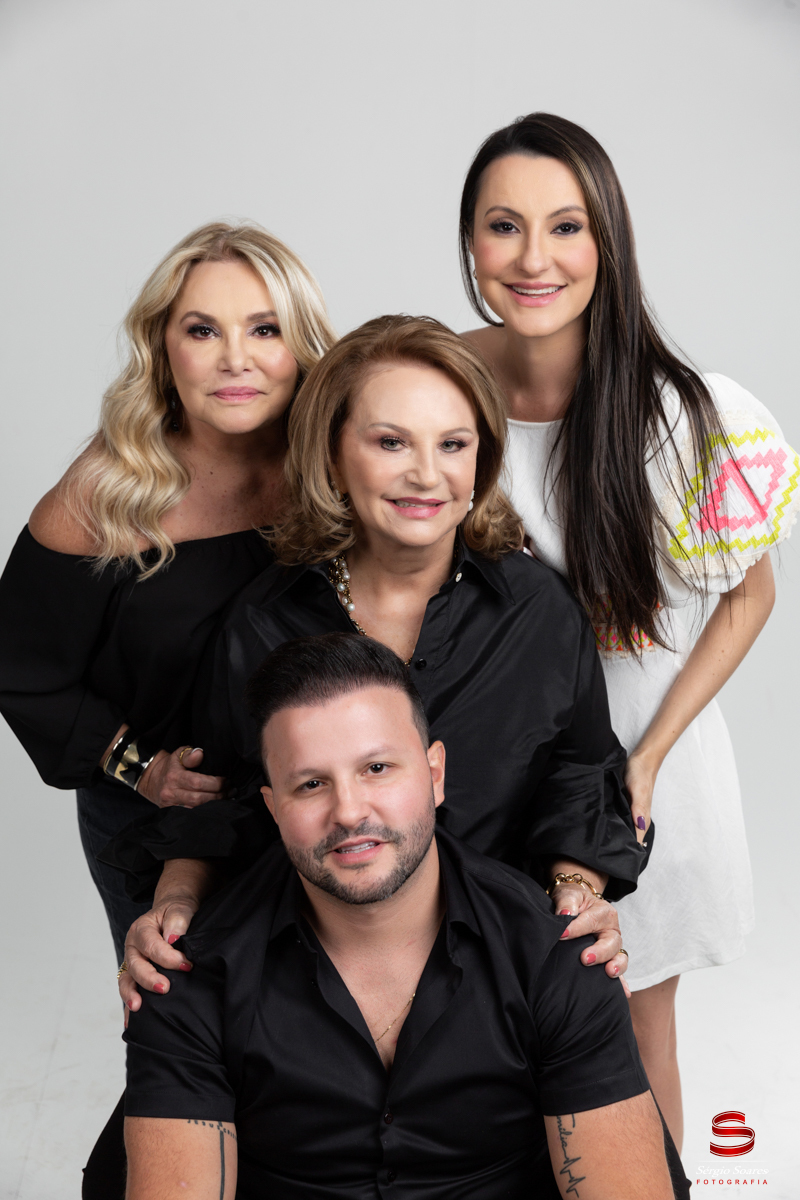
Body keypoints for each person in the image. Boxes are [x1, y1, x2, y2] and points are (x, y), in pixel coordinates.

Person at [108, 313, 646, 1011]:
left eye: (453, 444)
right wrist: (174, 904)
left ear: (481, 461)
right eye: (391, 442)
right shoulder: (264, 621)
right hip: (309, 977)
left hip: (498, 971)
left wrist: (575, 892)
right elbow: (221, 802)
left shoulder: (538, 611)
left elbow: (580, 775)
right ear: (333, 457)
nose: (426, 474)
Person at [458, 111, 800, 1148]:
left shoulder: (686, 415)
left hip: (639, 779)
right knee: (487, 1037)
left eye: (565, 227)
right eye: (503, 226)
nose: (534, 258)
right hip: (490, 774)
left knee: (630, 1027)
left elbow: (750, 596)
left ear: (607, 239)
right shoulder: (439, 384)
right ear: (469, 240)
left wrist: (644, 759)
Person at [115, 632, 678, 1200]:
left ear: (435, 775)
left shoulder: (555, 957)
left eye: (377, 768)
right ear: (273, 807)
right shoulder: (189, 976)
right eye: (311, 784)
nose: (349, 811)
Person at [0, 221, 336, 961]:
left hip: (318, 807)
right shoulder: (108, 491)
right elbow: (20, 664)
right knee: (177, 1016)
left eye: (265, 329)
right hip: (153, 821)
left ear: (301, 344)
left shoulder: (338, 465)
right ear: (163, 347)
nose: (236, 359)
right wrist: (138, 768)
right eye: (203, 331)